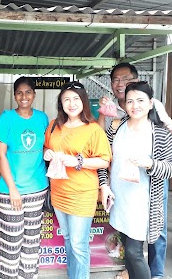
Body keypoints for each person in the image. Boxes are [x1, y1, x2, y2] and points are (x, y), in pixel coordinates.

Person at [98, 62, 172, 279]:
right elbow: (104, 158)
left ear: (151, 103)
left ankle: (157, 275)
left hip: (144, 202)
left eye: (141, 101)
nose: (135, 105)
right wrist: (104, 185)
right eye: (131, 101)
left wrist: (151, 164)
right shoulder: (117, 126)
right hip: (121, 199)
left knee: (134, 252)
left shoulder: (158, 133)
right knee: (128, 251)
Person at [43, 81, 112, 279]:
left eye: (75, 99)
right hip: (59, 192)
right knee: (67, 239)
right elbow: (46, 147)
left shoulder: (93, 129)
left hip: (82, 194)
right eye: (66, 99)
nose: (71, 103)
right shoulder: (54, 125)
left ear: (83, 102)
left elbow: (103, 160)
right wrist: (47, 153)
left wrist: (77, 161)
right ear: (61, 103)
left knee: (78, 245)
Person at [0, 77, 49, 278]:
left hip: (37, 188)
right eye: (19, 92)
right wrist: (13, 189)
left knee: (31, 243)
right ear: (14, 95)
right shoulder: (6, 118)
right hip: (9, 191)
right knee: (12, 242)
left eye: (28, 92)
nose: (24, 96)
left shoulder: (42, 118)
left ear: (34, 95)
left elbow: (46, 147)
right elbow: (0, 154)